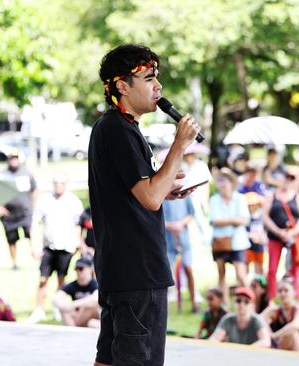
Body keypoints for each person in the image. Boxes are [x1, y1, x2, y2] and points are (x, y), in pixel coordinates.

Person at [88, 44, 200, 366]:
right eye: (149, 78)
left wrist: (166, 189)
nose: (158, 86)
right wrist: (180, 145)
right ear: (122, 86)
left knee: (109, 358)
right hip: (138, 272)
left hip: (120, 269)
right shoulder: (119, 130)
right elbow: (149, 198)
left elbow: (139, 192)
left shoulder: (114, 128)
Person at [28, 173, 83, 323]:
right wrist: (34, 245)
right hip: (48, 246)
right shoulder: (45, 200)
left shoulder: (73, 201)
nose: (59, 186)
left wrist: (76, 243)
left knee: (61, 279)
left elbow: (78, 224)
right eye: (56, 183)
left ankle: (59, 308)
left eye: (62, 183)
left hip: (65, 247)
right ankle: (39, 309)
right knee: (43, 279)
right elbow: (35, 223)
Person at [263, 170, 299, 299]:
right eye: (286, 178)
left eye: (291, 179)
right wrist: (278, 231)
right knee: (272, 268)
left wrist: (292, 232)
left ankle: (294, 294)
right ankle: (271, 295)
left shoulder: (297, 196)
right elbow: (265, 216)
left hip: (294, 237)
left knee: (295, 267)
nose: (288, 181)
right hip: (275, 236)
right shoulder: (272, 196)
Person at [209, 168, 250, 301]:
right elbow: (215, 221)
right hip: (220, 242)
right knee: (221, 275)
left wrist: (226, 221)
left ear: (231, 183)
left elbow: (244, 219)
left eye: (225, 181)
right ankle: (224, 304)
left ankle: (249, 301)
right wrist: (233, 220)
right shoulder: (214, 199)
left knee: (241, 275)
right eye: (220, 181)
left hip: (238, 242)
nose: (222, 185)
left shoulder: (240, 198)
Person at [0, 150, 37, 270]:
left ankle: (36, 259)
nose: (14, 160)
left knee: (31, 235)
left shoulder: (26, 173)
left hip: (25, 212)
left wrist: (33, 206)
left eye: (16, 158)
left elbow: (34, 190)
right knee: (12, 240)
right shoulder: (3, 175)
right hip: (9, 215)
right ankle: (14, 263)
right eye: (11, 158)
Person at [163, 195, 198, 312]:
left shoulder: (185, 193)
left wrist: (180, 224)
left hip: (184, 241)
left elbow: (191, 213)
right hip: (167, 242)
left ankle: (194, 303)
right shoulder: (162, 193)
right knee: (166, 274)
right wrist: (169, 225)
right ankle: (164, 308)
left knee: (189, 269)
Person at [53, 257, 100, 328]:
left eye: (81, 268)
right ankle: (72, 332)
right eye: (76, 269)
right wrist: (64, 306)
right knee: (64, 310)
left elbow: (96, 299)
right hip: (77, 316)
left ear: (90, 269)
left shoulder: (95, 284)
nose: (78, 271)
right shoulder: (73, 285)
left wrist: (74, 304)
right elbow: (56, 298)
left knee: (91, 318)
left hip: (92, 317)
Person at [261, 279, 299, 351]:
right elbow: (258, 320)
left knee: (292, 334)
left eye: (286, 290)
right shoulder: (274, 311)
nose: (282, 294)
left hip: (297, 349)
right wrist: (267, 330)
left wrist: (274, 335)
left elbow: (295, 326)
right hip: (279, 348)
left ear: (294, 292)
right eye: (280, 291)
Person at [245, 192, 268, 275]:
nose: (250, 207)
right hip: (247, 245)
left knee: (259, 266)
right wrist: (250, 235)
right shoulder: (245, 217)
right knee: (246, 266)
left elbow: (266, 230)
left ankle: (259, 284)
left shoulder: (261, 216)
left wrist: (263, 237)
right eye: (249, 205)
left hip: (259, 245)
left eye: (253, 205)